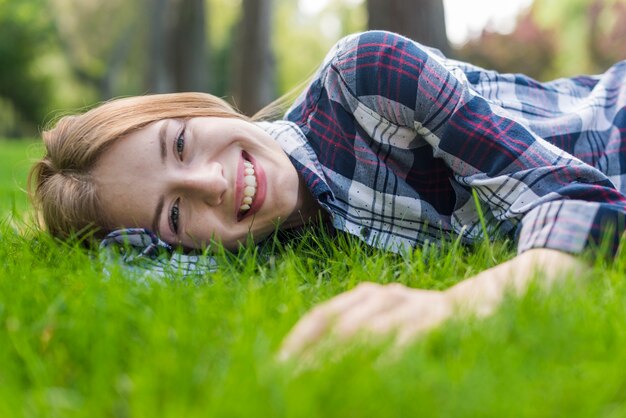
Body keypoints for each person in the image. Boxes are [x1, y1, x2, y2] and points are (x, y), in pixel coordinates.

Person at [30, 30, 626, 359]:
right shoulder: (255, 245)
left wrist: (460, 306)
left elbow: (581, 199)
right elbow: (130, 270)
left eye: (181, 144)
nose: (213, 184)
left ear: (197, 106)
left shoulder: (364, 77)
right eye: (177, 213)